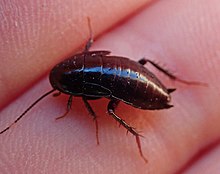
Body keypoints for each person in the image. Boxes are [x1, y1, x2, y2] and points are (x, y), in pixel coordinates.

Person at [0, 0, 219, 173]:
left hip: (133, 83)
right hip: (128, 71)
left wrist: (83, 114)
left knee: (110, 109)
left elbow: (87, 99)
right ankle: (143, 129)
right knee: (135, 73)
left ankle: (144, 127)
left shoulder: (78, 94)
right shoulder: (81, 64)